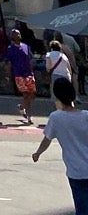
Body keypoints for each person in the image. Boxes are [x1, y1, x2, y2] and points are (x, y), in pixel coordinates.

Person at [34, 76, 88, 213]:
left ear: (57, 97)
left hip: (77, 171)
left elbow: (47, 139)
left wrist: (38, 153)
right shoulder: (86, 115)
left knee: (82, 207)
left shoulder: (56, 118)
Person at [6, 29, 37, 123]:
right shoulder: (10, 48)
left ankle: (22, 107)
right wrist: (7, 75)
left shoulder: (26, 46)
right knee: (26, 94)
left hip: (29, 73)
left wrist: (32, 72)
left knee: (32, 94)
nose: (18, 35)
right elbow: (8, 63)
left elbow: (30, 59)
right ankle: (29, 116)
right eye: (15, 34)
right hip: (19, 74)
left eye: (19, 34)